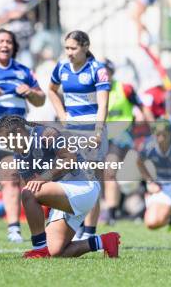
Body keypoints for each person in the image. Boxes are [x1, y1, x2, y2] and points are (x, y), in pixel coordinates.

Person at [0, 115, 120, 259]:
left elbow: (69, 159)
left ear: (18, 132)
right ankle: (104, 241)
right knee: (56, 252)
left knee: (28, 193)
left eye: (4, 140)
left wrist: (43, 178)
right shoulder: (18, 155)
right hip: (64, 194)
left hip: (83, 186)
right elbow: (32, 184)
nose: (4, 145)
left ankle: (39, 249)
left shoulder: (46, 134)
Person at [0, 29, 45, 244]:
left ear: (14, 46)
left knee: (11, 178)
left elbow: (41, 99)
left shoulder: (23, 71)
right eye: (1, 41)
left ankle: (14, 228)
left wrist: (31, 93)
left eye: (9, 42)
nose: (5, 45)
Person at [48, 30, 110, 241]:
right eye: (67, 48)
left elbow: (103, 103)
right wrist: (62, 114)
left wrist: (98, 131)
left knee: (91, 180)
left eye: (73, 48)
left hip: (91, 127)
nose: (69, 52)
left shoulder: (97, 69)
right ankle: (73, 229)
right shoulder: (62, 67)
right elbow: (51, 90)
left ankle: (89, 232)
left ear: (85, 47)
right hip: (71, 129)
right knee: (71, 178)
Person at [103, 59, 153, 225]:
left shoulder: (124, 88)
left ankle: (111, 214)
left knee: (110, 171)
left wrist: (154, 128)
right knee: (107, 175)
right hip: (100, 138)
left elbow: (142, 105)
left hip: (121, 138)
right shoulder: (92, 91)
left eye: (104, 70)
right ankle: (112, 211)